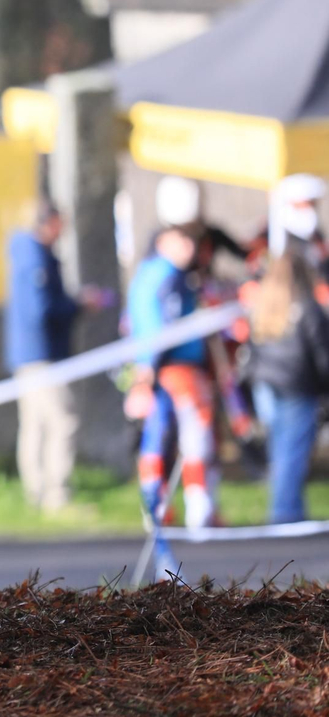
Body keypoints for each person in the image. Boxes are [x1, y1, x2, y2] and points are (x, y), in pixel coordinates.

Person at [4, 200, 104, 513]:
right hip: (43, 355)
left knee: (35, 424)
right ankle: (56, 494)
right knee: (62, 420)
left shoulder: (25, 253)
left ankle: (35, 492)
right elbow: (41, 310)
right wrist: (78, 305)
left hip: (29, 355)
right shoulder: (36, 257)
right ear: (49, 224)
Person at [126, 221, 220, 528]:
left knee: (160, 435)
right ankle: (197, 506)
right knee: (194, 432)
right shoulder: (166, 276)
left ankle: (158, 506)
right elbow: (159, 324)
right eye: (183, 241)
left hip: (159, 367)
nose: (190, 249)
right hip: (174, 368)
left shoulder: (151, 275)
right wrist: (147, 368)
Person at [242, 249, 329, 524]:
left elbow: (253, 348)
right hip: (297, 386)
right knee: (293, 452)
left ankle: (289, 509)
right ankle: (285, 514)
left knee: (280, 450)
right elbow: (322, 353)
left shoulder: (264, 307)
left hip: (265, 386)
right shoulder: (307, 307)